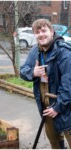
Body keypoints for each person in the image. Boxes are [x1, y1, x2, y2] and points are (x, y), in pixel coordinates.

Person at [20, 19, 71, 149]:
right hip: (46, 106)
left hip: (66, 107)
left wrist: (58, 107)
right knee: (55, 143)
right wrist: (33, 72)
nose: (41, 34)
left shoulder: (64, 52)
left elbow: (68, 85)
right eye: (37, 32)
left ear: (52, 32)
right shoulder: (35, 51)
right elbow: (23, 71)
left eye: (44, 30)